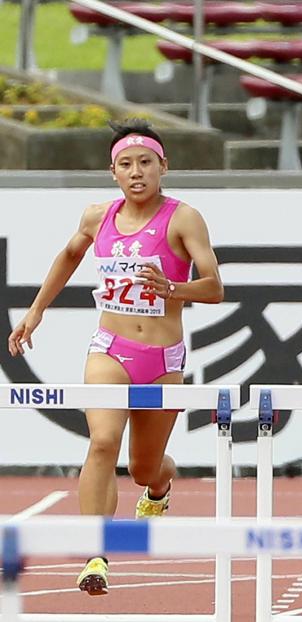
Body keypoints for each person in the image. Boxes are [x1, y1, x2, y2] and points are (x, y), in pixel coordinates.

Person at [7, 119, 224, 595]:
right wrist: (35, 312)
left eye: (146, 162)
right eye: (126, 165)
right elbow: (68, 256)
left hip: (163, 359)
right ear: (113, 172)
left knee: (144, 466)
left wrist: (174, 288)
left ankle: (160, 488)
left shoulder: (183, 218)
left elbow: (215, 287)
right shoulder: (96, 217)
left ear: (164, 166)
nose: (137, 172)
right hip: (110, 348)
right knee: (102, 443)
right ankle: (96, 554)